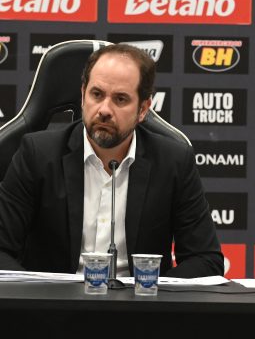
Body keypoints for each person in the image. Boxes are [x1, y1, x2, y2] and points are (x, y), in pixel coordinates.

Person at [0, 44, 224, 278]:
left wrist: (153, 295)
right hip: (56, 308)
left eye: (120, 99)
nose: (104, 110)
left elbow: (206, 260)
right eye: (96, 95)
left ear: (143, 109)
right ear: (83, 94)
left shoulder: (174, 162)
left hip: (140, 308)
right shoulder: (37, 155)